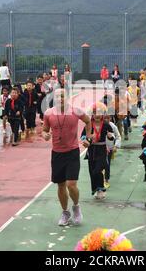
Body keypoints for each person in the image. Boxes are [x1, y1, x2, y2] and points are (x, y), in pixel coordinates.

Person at [42, 89, 92, 226]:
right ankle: (65, 212)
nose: (60, 98)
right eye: (57, 96)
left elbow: (88, 122)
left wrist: (88, 138)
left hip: (72, 152)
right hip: (57, 153)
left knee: (71, 185)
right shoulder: (48, 113)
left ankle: (76, 207)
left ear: (67, 98)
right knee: (61, 185)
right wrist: (45, 135)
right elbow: (45, 130)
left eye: (62, 96)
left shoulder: (76, 111)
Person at [81, 102, 114, 200]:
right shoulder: (89, 124)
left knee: (97, 170)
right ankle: (97, 189)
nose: (97, 115)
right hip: (91, 150)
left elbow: (112, 137)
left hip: (102, 150)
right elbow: (83, 136)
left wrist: (110, 137)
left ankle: (101, 189)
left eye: (99, 113)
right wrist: (86, 140)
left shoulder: (107, 125)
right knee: (92, 170)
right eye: (95, 113)